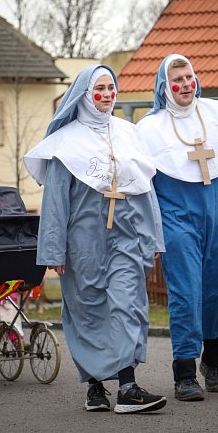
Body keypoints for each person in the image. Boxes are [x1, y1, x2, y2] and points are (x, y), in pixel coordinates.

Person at [23, 65, 167, 414]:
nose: (107, 94)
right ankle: (95, 387)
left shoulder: (130, 134)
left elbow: (146, 191)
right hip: (83, 243)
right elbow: (55, 201)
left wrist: (153, 239)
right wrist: (54, 250)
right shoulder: (65, 142)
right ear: (85, 94)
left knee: (127, 304)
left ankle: (129, 387)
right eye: (99, 88)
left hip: (127, 238)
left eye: (111, 87)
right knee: (89, 311)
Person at [136, 54, 218, 401]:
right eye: (177, 81)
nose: (185, 85)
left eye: (188, 77)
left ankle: (214, 363)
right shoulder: (150, 128)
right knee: (186, 292)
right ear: (164, 88)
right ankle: (185, 373)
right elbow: (144, 182)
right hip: (177, 218)